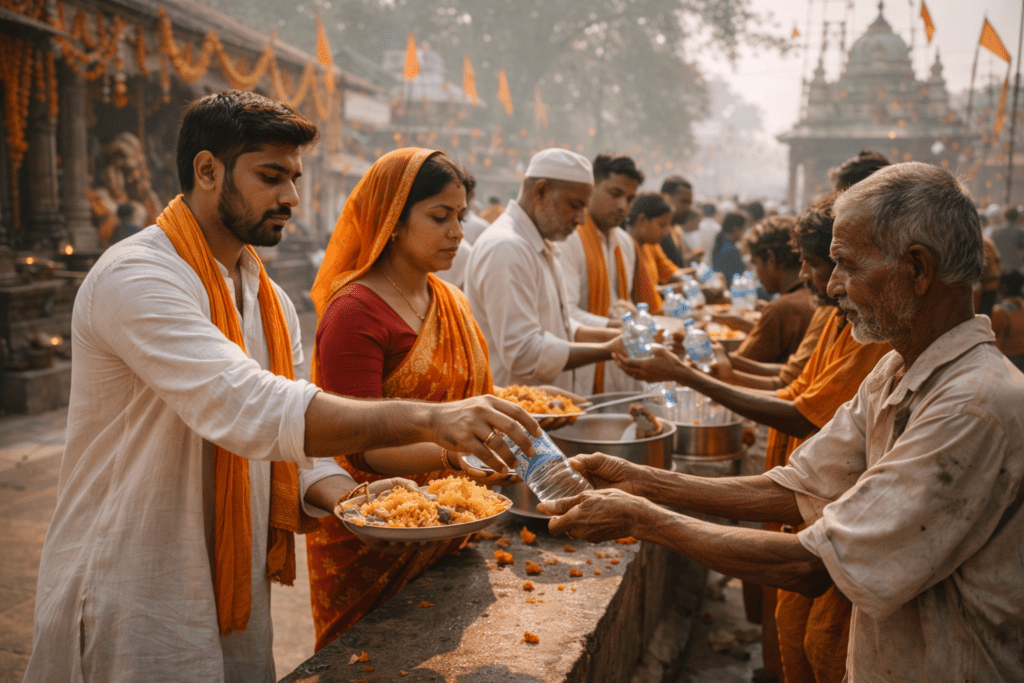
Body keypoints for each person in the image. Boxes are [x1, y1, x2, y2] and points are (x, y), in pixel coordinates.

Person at [24, 91, 539, 683]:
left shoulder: (266, 299)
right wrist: (431, 422)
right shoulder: (137, 276)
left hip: (234, 583)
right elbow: (250, 407)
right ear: (208, 170)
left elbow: (296, 450)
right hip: (132, 578)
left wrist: (357, 501)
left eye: (294, 177)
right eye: (272, 176)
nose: (292, 197)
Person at [543, 162, 1024, 683]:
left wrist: (643, 518)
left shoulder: (973, 405)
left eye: (846, 265)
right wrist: (648, 482)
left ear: (918, 269)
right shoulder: (898, 367)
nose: (833, 285)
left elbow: (813, 564)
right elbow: (800, 488)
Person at [641, 195, 891, 683]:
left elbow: (800, 412)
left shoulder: (877, 342)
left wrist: (650, 508)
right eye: (826, 266)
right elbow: (796, 389)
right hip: (808, 488)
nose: (826, 282)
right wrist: (648, 488)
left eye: (827, 266)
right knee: (794, 631)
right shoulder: (835, 317)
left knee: (821, 639)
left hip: (830, 517)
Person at [303, 148, 527, 651]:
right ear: (393, 223)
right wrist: (455, 454)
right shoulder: (354, 313)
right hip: (380, 529)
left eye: (461, 217)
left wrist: (499, 436)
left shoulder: (452, 301)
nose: (457, 232)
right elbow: (360, 447)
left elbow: (477, 403)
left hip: (456, 520)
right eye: (439, 216)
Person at [465, 148, 624, 394]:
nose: (582, 219)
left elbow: (556, 324)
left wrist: (614, 335)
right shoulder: (507, 247)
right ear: (541, 192)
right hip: (515, 419)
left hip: (541, 414)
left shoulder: (535, 242)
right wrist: (610, 350)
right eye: (575, 205)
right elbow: (524, 353)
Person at [558, 153, 643, 394]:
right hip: (582, 365)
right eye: (615, 194)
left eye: (630, 199)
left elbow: (621, 302)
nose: (623, 206)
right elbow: (567, 313)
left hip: (620, 362)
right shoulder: (568, 238)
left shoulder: (625, 242)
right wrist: (616, 326)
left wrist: (630, 320)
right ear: (591, 187)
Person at [722, 215, 817, 364]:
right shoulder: (818, 296)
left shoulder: (781, 309)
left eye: (756, 264)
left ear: (771, 259)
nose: (757, 275)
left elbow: (738, 364)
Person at [623, 193, 675, 314]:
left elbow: (668, 271)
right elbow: (644, 300)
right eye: (662, 225)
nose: (666, 232)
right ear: (642, 220)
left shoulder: (651, 246)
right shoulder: (626, 248)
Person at [991, 271, 1024, 372]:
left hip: (1004, 360)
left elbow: (992, 341)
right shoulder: (1022, 307)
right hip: (1021, 358)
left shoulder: (999, 312)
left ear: (1003, 288)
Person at [659, 176, 693, 267]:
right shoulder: (655, 233)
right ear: (665, 197)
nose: (687, 208)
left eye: (689, 203)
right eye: (683, 201)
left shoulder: (675, 230)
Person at [711, 211, 748, 281]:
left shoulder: (722, 241)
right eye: (743, 229)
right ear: (736, 229)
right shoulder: (730, 250)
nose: (744, 233)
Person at [990, 206, 1024, 274]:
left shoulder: (995, 231)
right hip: (1016, 268)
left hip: (1000, 268)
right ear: (1017, 216)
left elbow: (991, 250)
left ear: (1004, 216)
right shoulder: (1020, 231)